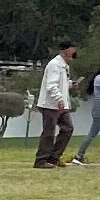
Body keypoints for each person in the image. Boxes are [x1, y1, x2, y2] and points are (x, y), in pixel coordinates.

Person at [33, 41, 78, 169]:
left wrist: (70, 84)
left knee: (68, 128)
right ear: (65, 50)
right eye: (72, 49)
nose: (74, 52)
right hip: (51, 104)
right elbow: (51, 85)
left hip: (62, 104)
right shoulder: (55, 65)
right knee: (49, 132)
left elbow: (60, 83)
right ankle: (41, 160)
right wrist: (58, 98)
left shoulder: (64, 66)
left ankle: (54, 157)